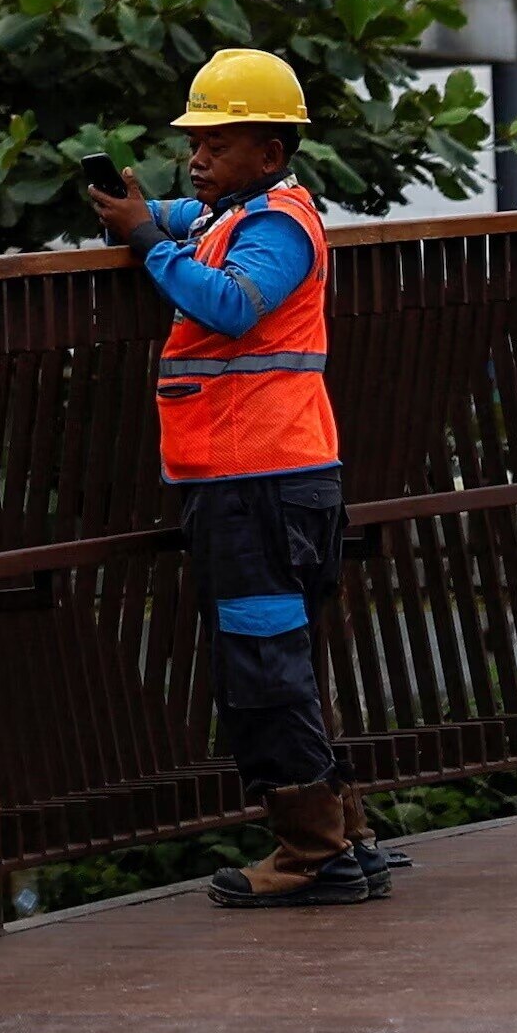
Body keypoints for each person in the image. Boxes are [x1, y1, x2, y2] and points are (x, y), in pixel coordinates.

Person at [85, 46, 389, 910]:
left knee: (262, 664)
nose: (198, 157)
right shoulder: (235, 212)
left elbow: (227, 305)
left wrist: (147, 241)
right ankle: (348, 839)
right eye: (195, 142)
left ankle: (314, 855)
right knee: (283, 655)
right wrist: (133, 212)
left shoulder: (278, 228)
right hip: (267, 477)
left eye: (217, 144)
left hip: (257, 481)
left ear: (271, 151)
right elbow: (172, 217)